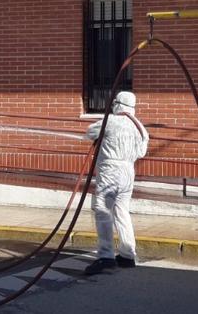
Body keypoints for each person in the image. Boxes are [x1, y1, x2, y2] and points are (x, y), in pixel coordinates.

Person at [83, 90, 149, 275]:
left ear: (117, 104)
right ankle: (128, 255)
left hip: (110, 171)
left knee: (103, 211)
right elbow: (141, 152)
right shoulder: (140, 128)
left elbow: (90, 132)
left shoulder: (110, 121)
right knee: (122, 212)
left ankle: (106, 256)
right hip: (128, 172)